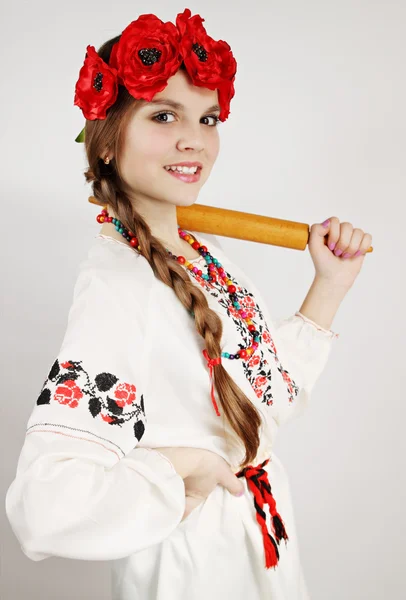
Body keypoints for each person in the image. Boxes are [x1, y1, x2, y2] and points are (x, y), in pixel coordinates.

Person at [6, 8, 371, 600]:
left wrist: (329, 285)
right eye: (163, 115)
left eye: (207, 117)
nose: (193, 139)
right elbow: (44, 506)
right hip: (195, 564)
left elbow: (263, 401)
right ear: (105, 141)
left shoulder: (203, 253)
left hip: (261, 536)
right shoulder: (118, 288)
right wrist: (181, 467)